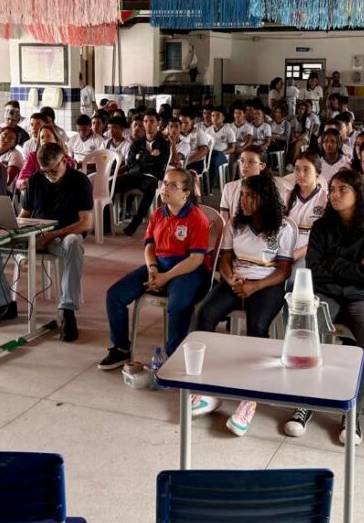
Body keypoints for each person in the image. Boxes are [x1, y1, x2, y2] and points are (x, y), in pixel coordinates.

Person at [285, 169, 364, 444]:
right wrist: (353, 265)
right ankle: (304, 402)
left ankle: (351, 410)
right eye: (332, 189)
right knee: (307, 326)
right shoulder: (321, 227)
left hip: (363, 296)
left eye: (343, 189)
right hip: (327, 293)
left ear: (359, 194)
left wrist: (333, 261)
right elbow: (314, 271)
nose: (335, 195)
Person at [193, 175, 294, 436]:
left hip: (266, 283)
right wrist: (230, 278)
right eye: (243, 195)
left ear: (266, 199)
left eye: (251, 196)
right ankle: (207, 389)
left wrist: (253, 287)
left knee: (257, 325)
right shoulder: (235, 224)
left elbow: (283, 271)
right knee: (205, 314)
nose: (245, 201)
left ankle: (250, 398)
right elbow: (225, 258)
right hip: (236, 280)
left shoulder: (283, 228)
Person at [99, 168, 210, 369]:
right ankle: (121, 348)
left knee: (178, 305)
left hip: (186, 270)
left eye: (173, 185)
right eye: (165, 183)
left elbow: (196, 259)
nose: (165, 188)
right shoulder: (158, 213)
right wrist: (152, 269)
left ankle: (174, 355)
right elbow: (150, 246)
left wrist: (165, 277)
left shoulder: (196, 217)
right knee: (114, 295)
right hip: (159, 266)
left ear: (186, 192)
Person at [0, 143, 92, 339]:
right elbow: (24, 215)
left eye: (53, 170)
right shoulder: (35, 180)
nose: (49, 175)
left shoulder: (80, 181)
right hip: (35, 234)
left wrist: (51, 235)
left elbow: (85, 223)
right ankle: (3, 303)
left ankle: (67, 311)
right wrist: (17, 229)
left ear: (64, 161)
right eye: (45, 171)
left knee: (74, 244)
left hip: (61, 236)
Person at [116, 110, 171, 236]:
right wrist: (149, 156)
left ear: (158, 123)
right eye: (146, 121)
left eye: (152, 121)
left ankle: (135, 222)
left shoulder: (163, 144)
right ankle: (106, 222)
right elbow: (130, 162)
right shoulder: (137, 143)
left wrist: (140, 157)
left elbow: (159, 163)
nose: (148, 124)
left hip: (151, 177)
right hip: (134, 175)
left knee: (151, 186)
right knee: (110, 184)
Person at [282, 151, 327, 268]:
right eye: (297, 169)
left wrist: (296, 253)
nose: (300, 174)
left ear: (317, 172)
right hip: (285, 250)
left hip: (311, 252)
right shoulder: (285, 196)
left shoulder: (325, 199)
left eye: (306, 169)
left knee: (295, 275)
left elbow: (325, 238)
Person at [16, 123, 75, 189]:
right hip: (38, 190)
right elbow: (21, 178)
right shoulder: (32, 156)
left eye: (48, 136)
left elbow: (71, 178)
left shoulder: (65, 158)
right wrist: (23, 183)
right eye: (42, 137)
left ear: (56, 139)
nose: (44, 140)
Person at [219, 147, 271, 219]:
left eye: (251, 162)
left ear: (262, 166)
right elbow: (224, 217)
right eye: (242, 161)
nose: (244, 165)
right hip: (235, 228)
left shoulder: (269, 188)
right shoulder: (229, 187)